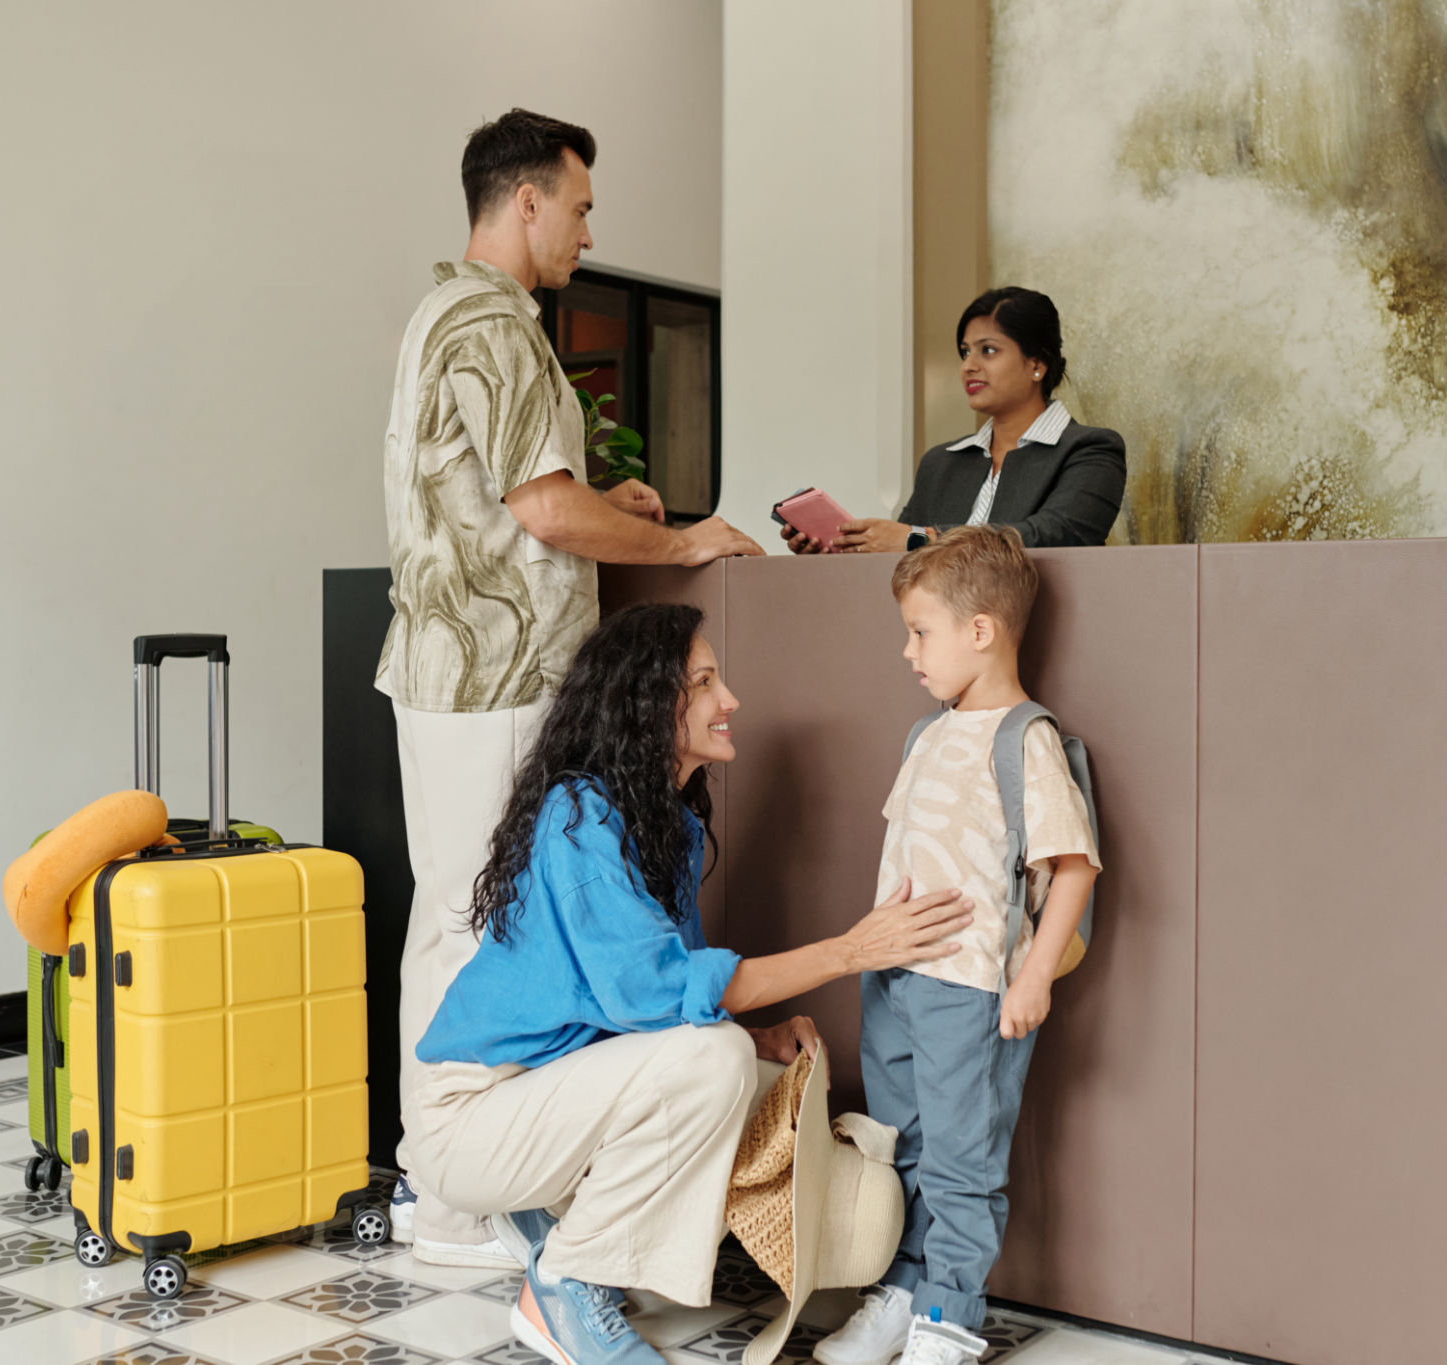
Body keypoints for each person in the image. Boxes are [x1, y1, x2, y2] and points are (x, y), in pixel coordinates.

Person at [378, 108, 763, 1268]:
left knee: (455, 917)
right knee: (471, 927)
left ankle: (459, 1183)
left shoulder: (444, 314)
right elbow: (541, 513)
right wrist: (690, 537)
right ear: (528, 198)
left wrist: (614, 511)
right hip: (493, 676)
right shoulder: (493, 324)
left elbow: (517, 504)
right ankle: (453, 1201)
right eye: (581, 206)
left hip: (456, 666)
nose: (589, 232)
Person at [405, 603, 978, 1365]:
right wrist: (851, 950)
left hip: (544, 1094)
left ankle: (559, 1226)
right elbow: (658, 992)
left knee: (741, 1061)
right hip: (471, 1111)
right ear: (645, 702)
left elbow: (667, 1007)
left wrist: (762, 1035)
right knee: (713, 1061)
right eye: (704, 681)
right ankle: (563, 1285)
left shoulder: (664, 823)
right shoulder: (577, 820)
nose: (729, 699)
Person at [813, 526, 1101, 1365]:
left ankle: (948, 1318)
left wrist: (1035, 975)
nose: (908, 652)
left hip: (970, 988)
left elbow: (1074, 870)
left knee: (962, 1157)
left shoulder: (1026, 740)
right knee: (901, 1145)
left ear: (981, 630)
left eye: (920, 631)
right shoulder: (927, 734)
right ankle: (903, 1290)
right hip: (894, 982)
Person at [782, 287, 1125, 555]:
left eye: (988, 350)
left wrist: (921, 539)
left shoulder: (1090, 450)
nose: (968, 366)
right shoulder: (941, 463)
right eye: (965, 352)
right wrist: (840, 548)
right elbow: (898, 562)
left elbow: (1052, 537)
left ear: (1037, 364)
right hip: (933, 638)